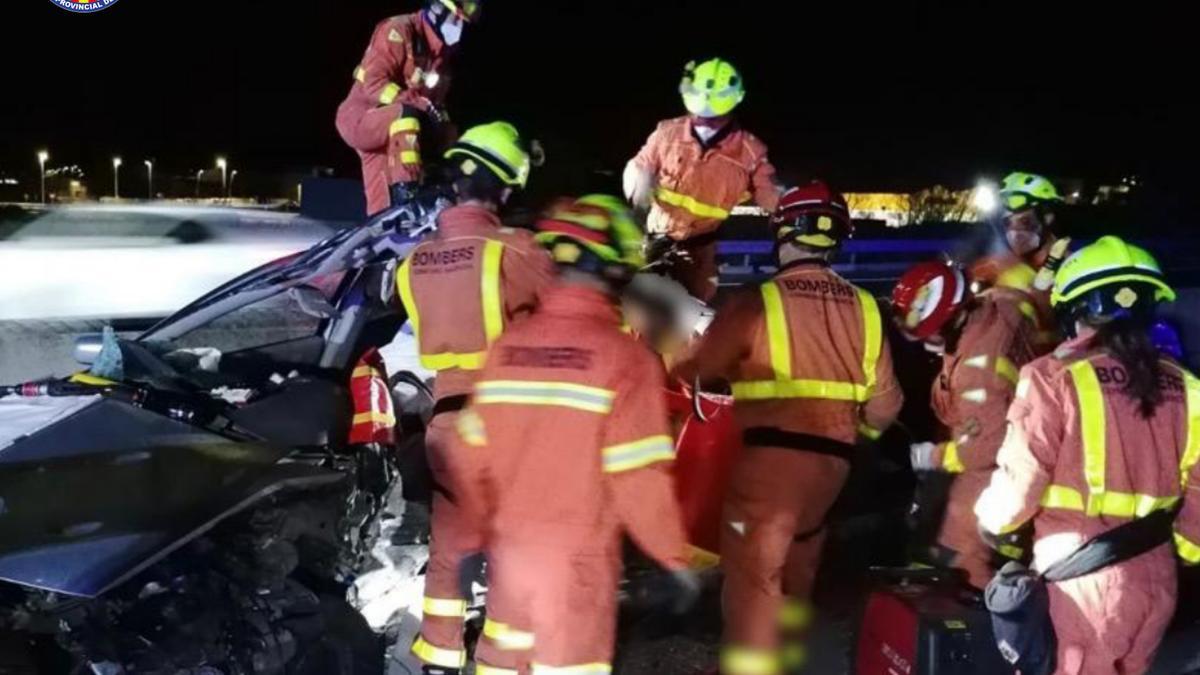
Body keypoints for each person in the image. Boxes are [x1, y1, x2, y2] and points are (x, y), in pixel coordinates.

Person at [447, 194, 699, 674]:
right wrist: (671, 558)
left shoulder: (507, 348)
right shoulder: (624, 359)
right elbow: (637, 477)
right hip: (576, 568)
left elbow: (467, 455)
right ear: (614, 271)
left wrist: (468, 538)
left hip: (509, 561)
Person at [674, 182, 903, 674]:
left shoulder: (758, 300)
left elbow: (696, 370)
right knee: (799, 572)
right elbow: (886, 407)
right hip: (832, 469)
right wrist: (853, 441)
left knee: (754, 585)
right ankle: (793, 663)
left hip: (767, 468)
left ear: (783, 231)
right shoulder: (866, 308)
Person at [976, 236, 1200, 674]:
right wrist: (1187, 553)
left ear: (1074, 310)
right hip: (1158, 580)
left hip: (1081, 583)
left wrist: (992, 521)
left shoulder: (1051, 378)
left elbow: (1021, 480)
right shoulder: (1188, 386)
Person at [394, 121, 556, 674]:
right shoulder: (520, 251)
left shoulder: (413, 263)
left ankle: (439, 657)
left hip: (446, 425)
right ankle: (498, 663)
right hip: (507, 428)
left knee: (450, 550)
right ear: (506, 188)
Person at [891, 260, 1042, 588]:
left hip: (994, 460)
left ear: (950, 319)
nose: (922, 341)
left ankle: (978, 621)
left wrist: (931, 457)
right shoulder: (1003, 303)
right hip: (1024, 429)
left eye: (927, 332)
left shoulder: (976, 374)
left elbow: (984, 449)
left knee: (958, 545)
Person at [624, 57, 782, 301]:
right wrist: (637, 183)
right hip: (655, 242)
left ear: (732, 104)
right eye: (698, 111)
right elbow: (639, 164)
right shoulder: (666, 133)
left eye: (713, 115)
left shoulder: (750, 153)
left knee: (695, 319)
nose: (702, 120)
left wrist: (792, 212)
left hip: (701, 252)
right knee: (639, 313)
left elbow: (768, 193)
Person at [336, 0, 481, 216]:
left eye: (463, 23)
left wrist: (452, 150)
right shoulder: (397, 29)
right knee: (407, 116)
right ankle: (408, 193)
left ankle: (392, 224)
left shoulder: (441, 55)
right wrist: (414, 102)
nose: (459, 28)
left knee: (381, 209)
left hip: (391, 133)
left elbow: (436, 104)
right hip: (360, 118)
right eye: (455, 19)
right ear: (436, 10)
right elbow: (375, 84)